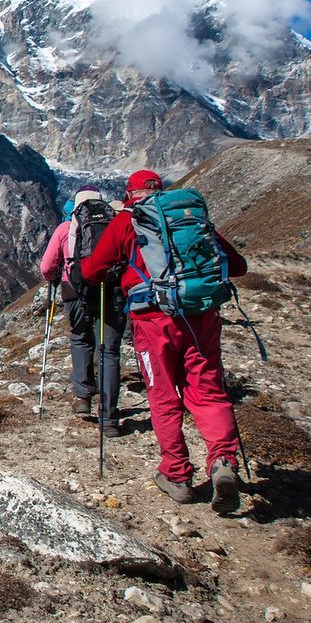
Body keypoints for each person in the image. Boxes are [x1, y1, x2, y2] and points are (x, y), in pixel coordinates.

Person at [81, 169, 249, 512]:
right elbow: (237, 265)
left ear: (130, 192)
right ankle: (223, 461)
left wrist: (120, 272)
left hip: (153, 322)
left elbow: (91, 271)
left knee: (162, 393)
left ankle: (177, 475)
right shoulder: (186, 217)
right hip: (201, 317)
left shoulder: (129, 220)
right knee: (209, 391)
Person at [38, 185, 127, 436]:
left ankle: (82, 399)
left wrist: (57, 276)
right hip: (110, 291)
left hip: (74, 291)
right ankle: (109, 416)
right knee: (109, 351)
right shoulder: (116, 224)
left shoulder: (66, 228)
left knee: (80, 339)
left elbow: (46, 267)